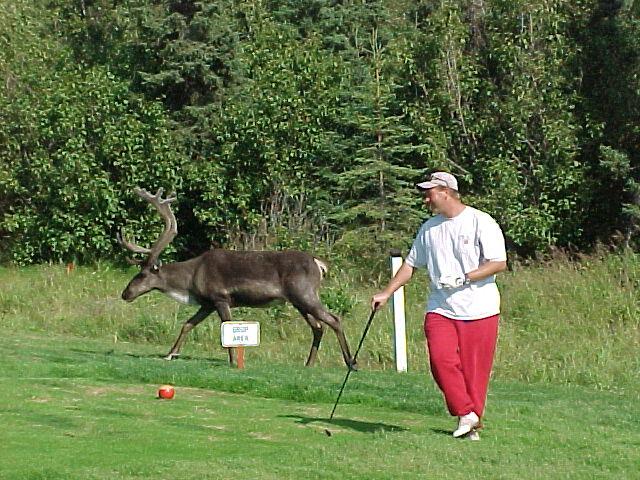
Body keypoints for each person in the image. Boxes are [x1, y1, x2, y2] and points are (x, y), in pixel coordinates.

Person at [371, 171, 507, 441]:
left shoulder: (480, 222)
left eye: (429, 193)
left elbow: (498, 262)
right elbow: (410, 265)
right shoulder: (429, 228)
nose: (426, 199)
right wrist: (386, 293)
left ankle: (469, 422)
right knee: (440, 360)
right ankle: (465, 412)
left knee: (474, 372)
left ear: (446, 192)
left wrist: (464, 276)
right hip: (441, 308)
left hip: (480, 308)